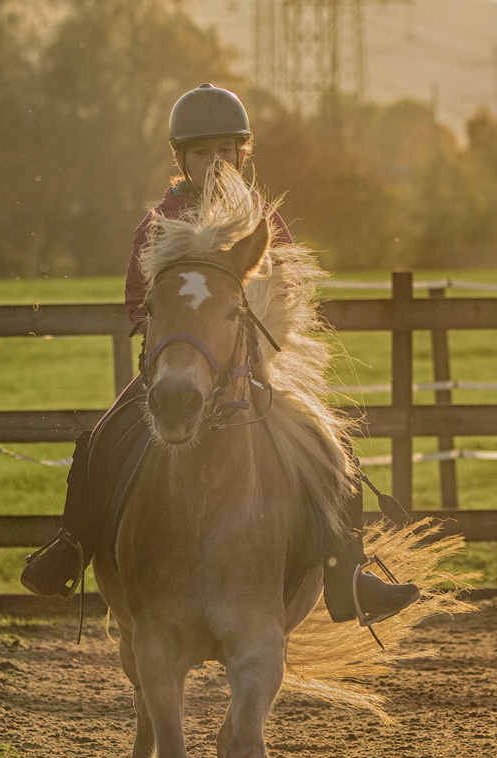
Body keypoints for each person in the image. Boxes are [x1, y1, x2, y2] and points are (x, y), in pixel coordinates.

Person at [21, 83, 419, 626]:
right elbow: (137, 298)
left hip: (248, 369)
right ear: (180, 158)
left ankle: (344, 572)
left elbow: (287, 288)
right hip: (176, 364)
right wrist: (173, 332)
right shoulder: (159, 222)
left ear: (242, 153)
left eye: (224, 151)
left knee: (329, 449)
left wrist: (254, 332)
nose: (213, 162)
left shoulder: (260, 220)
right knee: (99, 440)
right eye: (201, 152)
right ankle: (73, 545)